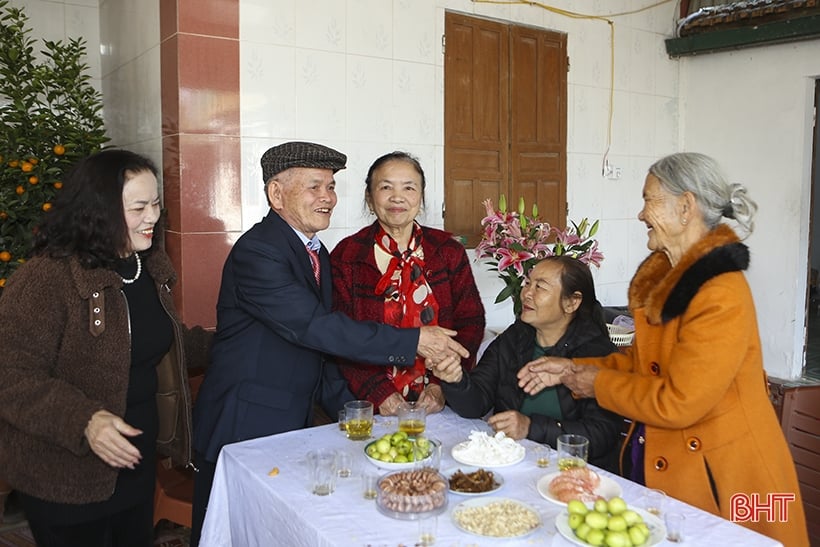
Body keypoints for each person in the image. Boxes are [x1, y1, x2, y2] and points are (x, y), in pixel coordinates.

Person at [518, 152, 809, 545]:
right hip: (673, 466)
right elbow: (640, 365)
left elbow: (680, 402)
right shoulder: (670, 282)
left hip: (731, 484)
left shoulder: (720, 293)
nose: (641, 214)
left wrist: (595, 382)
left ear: (685, 207)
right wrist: (570, 368)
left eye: (649, 200)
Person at [191, 142, 469, 546]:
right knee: (232, 528)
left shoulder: (313, 250)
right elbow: (316, 328)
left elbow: (321, 350)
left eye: (331, 186)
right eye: (314, 187)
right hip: (247, 423)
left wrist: (364, 412)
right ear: (276, 194)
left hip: (293, 420)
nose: (327, 198)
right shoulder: (259, 252)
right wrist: (414, 341)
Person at [0, 149, 211, 547]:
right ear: (99, 211)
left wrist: (234, 340)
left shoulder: (147, 267)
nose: (152, 216)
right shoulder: (46, 278)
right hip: (64, 470)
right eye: (138, 207)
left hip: (133, 460)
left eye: (155, 204)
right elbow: (11, 374)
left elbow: (167, 342)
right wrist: (86, 420)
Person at [432, 256, 623, 471]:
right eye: (527, 283)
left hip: (576, 473)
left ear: (572, 302)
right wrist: (456, 380)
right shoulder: (515, 338)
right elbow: (476, 404)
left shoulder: (596, 354)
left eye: (540, 287)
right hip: (514, 464)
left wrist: (530, 427)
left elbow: (602, 434)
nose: (527, 293)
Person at [330, 151, 485, 416]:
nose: (397, 197)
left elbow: (470, 322)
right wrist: (379, 393)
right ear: (369, 198)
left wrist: (440, 385)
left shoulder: (447, 250)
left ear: (421, 197)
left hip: (437, 404)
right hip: (368, 404)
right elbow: (341, 335)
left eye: (409, 187)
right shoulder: (347, 255)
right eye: (386, 187)